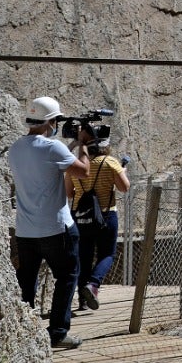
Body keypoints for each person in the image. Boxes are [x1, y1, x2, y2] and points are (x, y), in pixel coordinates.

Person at [8, 96, 91, 349]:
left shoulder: (15, 148)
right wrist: (84, 145)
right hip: (56, 228)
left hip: (25, 229)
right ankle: (58, 332)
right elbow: (83, 171)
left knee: (27, 280)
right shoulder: (53, 148)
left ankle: (24, 329)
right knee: (67, 276)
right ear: (50, 122)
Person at [68, 129, 129, 312]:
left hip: (80, 217)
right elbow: (124, 187)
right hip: (105, 215)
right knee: (107, 254)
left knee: (84, 257)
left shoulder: (76, 165)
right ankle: (93, 285)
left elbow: (68, 193)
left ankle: (82, 301)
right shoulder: (109, 162)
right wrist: (121, 171)